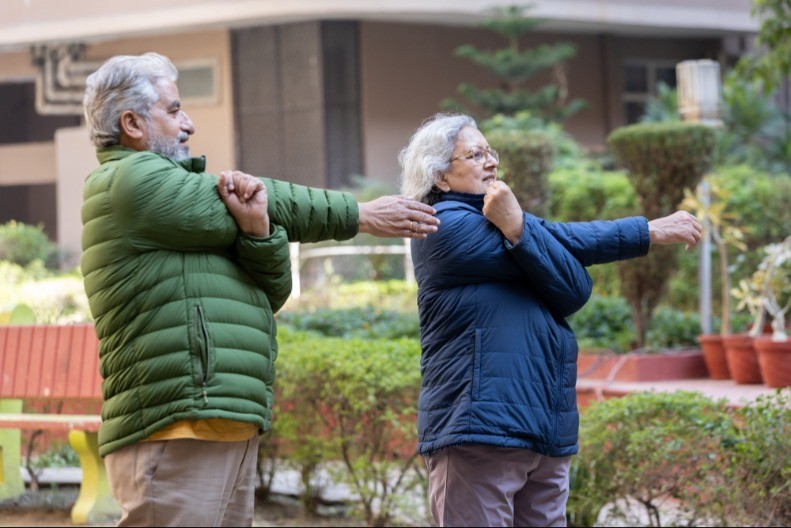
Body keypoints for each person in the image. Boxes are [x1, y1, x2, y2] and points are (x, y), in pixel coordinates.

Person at [80, 52, 438, 527]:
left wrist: (257, 232)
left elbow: (271, 291)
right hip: (176, 423)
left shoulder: (185, 210)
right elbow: (266, 194)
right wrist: (360, 215)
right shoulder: (127, 182)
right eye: (174, 110)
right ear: (132, 123)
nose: (188, 125)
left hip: (224, 420)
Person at [398, 112, 703, 527]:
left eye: (490, 151)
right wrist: (648, 231)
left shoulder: (505, 224)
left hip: (545, 433)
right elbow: (565, 243)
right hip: (479, 431)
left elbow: (575, 286)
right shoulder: (438, 225)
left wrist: (517, 227)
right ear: (441, 178)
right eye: (475, 154)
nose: (491, 161)